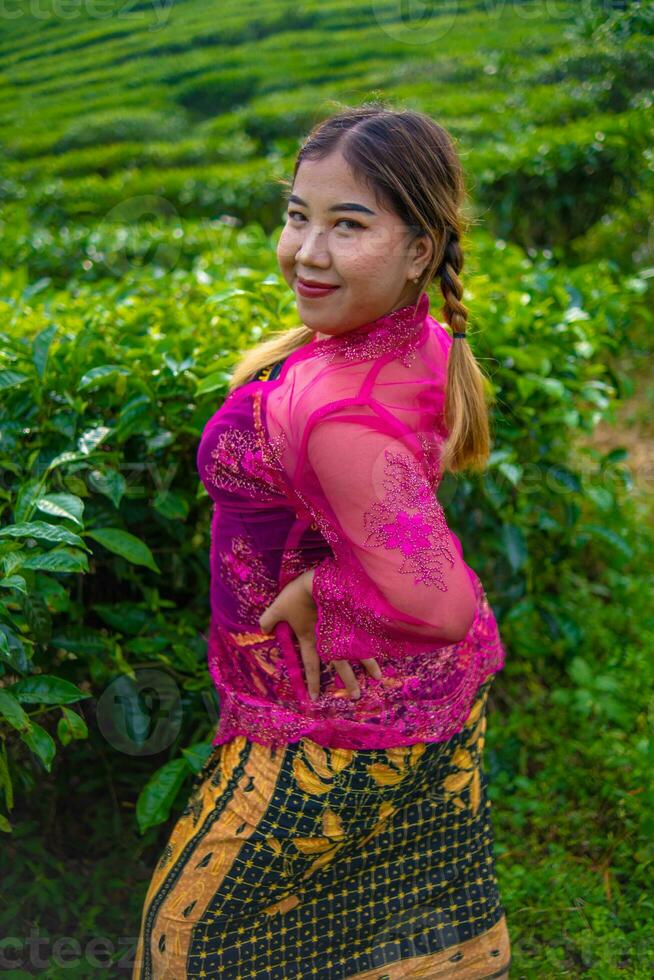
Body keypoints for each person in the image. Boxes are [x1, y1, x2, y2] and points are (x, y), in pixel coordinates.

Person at [133, 104, 511, 979]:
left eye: (349, 225)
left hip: (330, 724)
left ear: (421, 248)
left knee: (188, 945)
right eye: (299, 214)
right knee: (400, 915)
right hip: (427, 702)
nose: (306, 250)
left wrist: (323, 594)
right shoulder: (412, 338)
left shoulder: (329, 408)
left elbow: (437, 600)